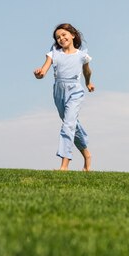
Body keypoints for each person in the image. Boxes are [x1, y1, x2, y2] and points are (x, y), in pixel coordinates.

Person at [34, 23, 95, 171]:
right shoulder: (54, 52)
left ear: (72, 35)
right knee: (72, 124)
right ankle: (87, 154)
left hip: (75, 90)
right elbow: (44, 69)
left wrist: (88, 83)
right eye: (58, 37)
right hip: (59, 92)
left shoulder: (82, 55)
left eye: (63, 35)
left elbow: (87, 72)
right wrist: (39, 74)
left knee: (67, 125)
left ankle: (64, 166)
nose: (61, 38)